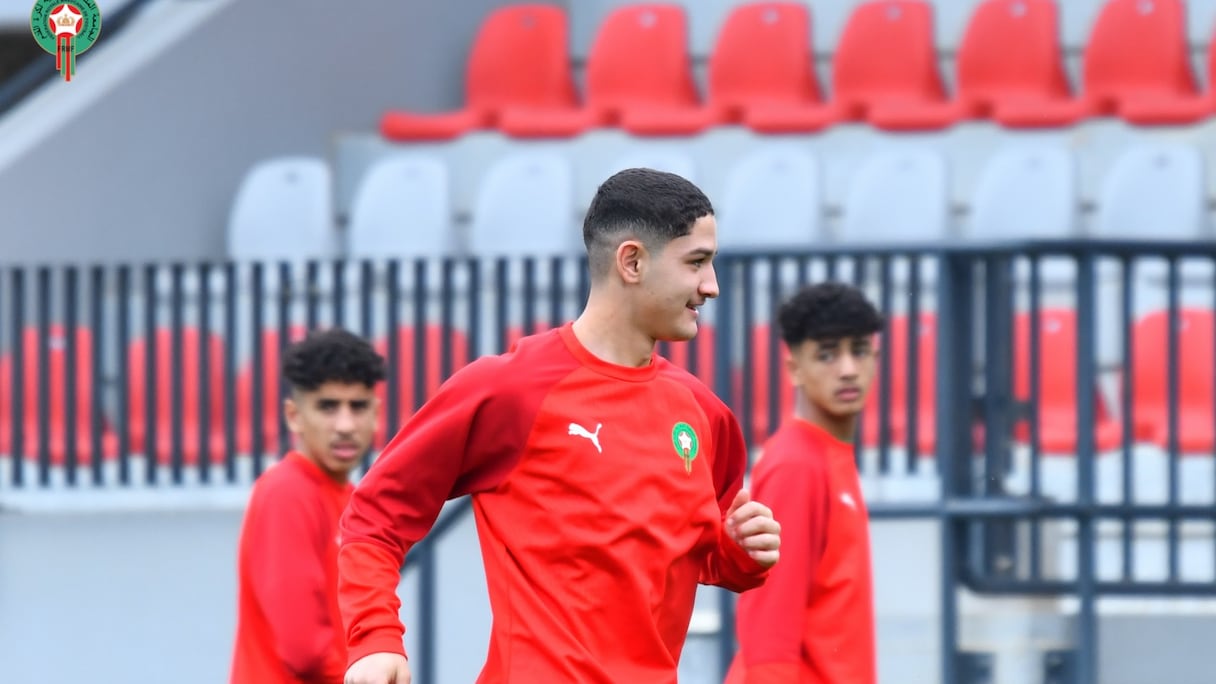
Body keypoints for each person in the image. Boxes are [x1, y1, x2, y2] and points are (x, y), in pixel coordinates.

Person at [338, 168, 782, 684]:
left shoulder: (704, 414)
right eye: (696, 262)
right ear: (632, 262)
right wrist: (374, 638)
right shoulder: (511, 389)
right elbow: (375, 515)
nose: (712, 286)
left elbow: (706, 555)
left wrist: (742, 552)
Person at [725, 282, 883, 684]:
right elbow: (769, 627)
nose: (847, 368)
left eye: (859, 351)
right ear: (794, 367)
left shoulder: (827, 455)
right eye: (827, 354)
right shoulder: (797, 464)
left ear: (875, 358)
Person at [230, 328, 387, 684]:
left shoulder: (350, 498)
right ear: (293, 415)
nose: (345, 425)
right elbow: (304, 650)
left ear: (376, 414)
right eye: (327, 407)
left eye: (358, 406)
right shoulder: (287, 493)